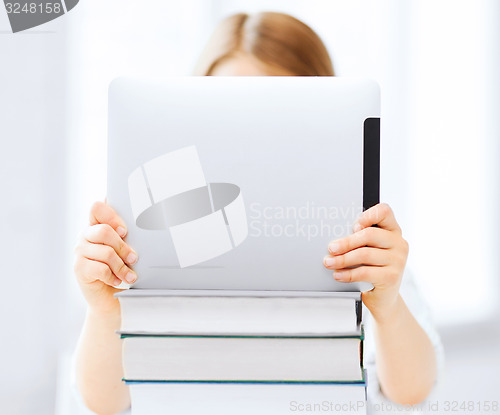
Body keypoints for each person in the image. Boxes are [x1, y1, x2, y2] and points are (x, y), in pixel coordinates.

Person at [73, 12, 443, 415]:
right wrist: (103, 308)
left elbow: (411, 394)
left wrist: (386, 306)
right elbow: (104, 405)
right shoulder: (154, 249)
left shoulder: (367, 254)